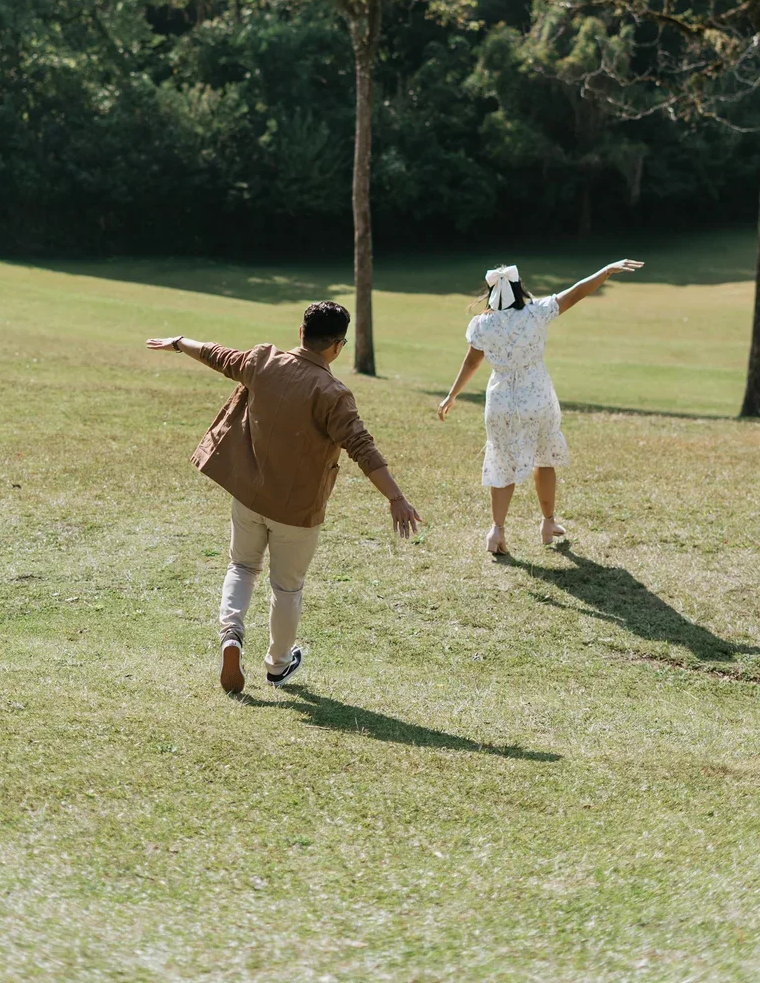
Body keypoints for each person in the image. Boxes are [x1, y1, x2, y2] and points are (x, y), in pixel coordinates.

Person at [146, 300, 421, 695]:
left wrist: (179, 342)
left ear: (301, 333)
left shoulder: (263, 361)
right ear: (337, 346)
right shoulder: (333, 393)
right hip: (298, 511)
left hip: (250, 496)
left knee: (241, 567)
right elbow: (362, 447)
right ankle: (277, 665)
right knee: (287, 588)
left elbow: (216, 354)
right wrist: (395, 498)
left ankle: (231, 635)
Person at [437, 259, 643, 556]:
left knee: (502, 461)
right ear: (519, 289)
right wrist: (604, 271)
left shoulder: (483, 324)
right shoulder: (536, 312)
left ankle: (497, 532)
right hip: (537, 398)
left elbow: (472, 362)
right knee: (544, 457)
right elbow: (574, 293)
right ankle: (548, 523)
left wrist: (451, 395)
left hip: (501, 401)